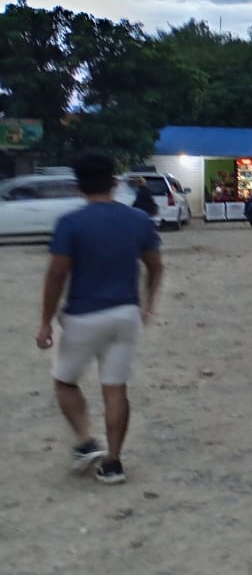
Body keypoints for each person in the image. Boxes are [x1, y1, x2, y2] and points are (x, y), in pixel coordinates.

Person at [35, 153, 163, 484]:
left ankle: (86, 439)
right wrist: (149, 303)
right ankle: (114, 462)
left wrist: (46, 322)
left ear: (78, 187)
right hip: (125, 314)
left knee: (64, 380)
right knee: (115, 389)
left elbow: (56, 275)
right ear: (114, 182)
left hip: (83, 315)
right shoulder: (138, 220)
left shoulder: (71, 224)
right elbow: (155, 266)